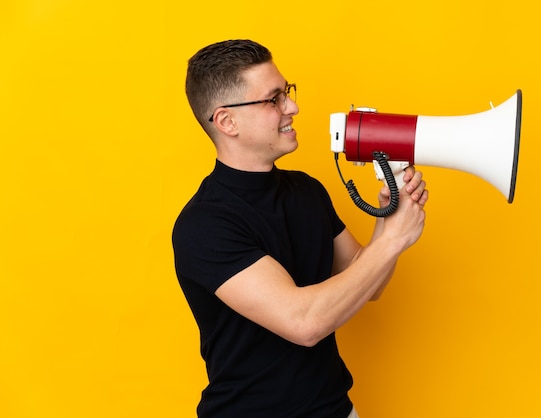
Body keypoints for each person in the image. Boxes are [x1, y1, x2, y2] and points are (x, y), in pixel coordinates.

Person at [172, 39, 429, 418]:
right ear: (227, 121)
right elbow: (304, 322)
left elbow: (368, 283)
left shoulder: (306, 190)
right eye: (273, 99)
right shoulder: (204, 224)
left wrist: (387, 220)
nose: (292, 107)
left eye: (287, 92)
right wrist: (391, 241)